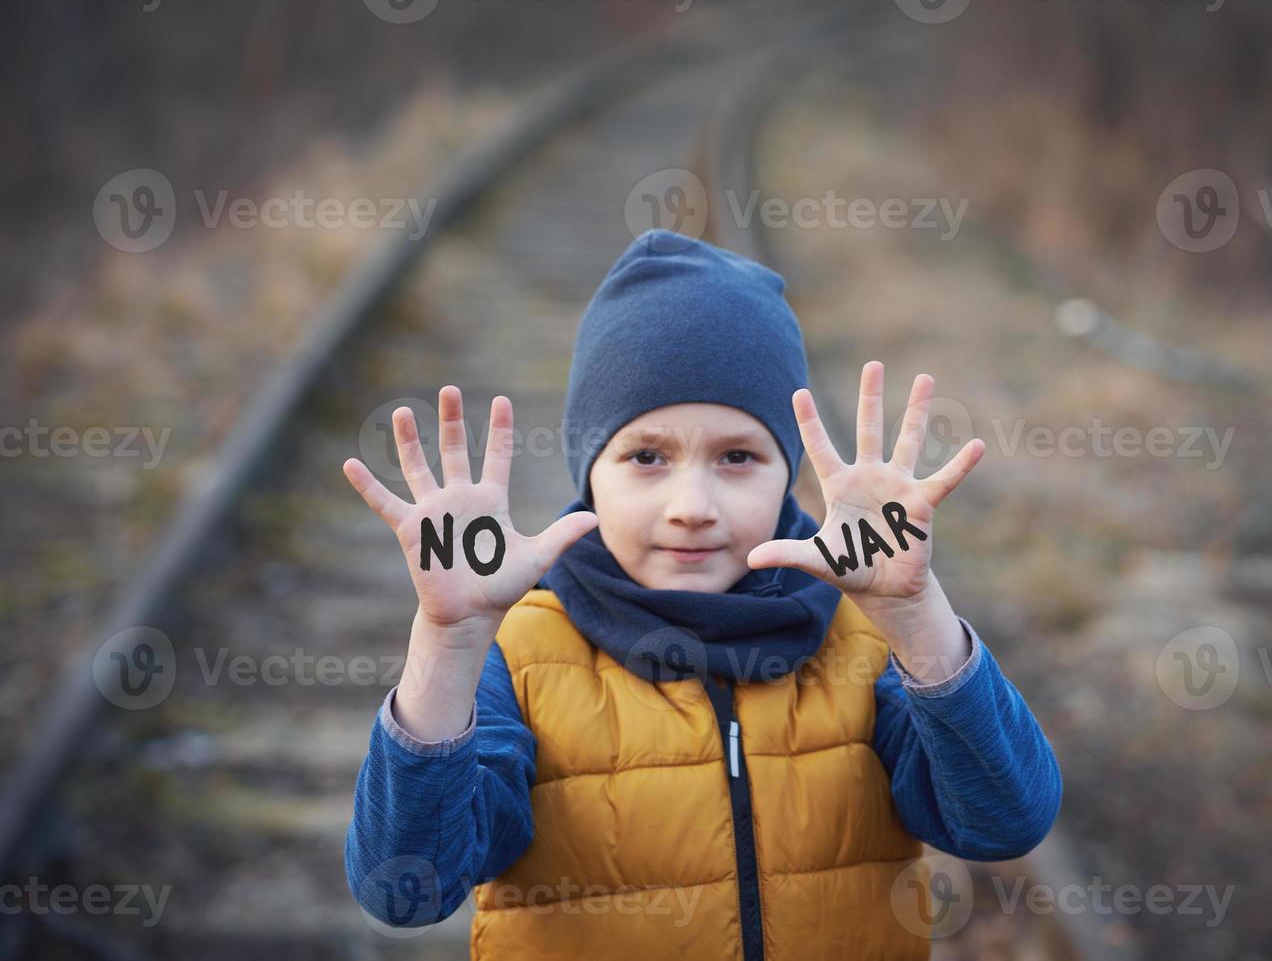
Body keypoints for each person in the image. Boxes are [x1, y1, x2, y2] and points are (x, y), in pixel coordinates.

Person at [340, 229, 1062, 959]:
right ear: (589, 472)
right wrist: (449, 643)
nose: (693, 504)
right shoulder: (518, 653)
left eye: (738, 457)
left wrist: (914, 614)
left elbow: (1003, 821)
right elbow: (408, 891)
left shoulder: (867, 640)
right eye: (647, 456)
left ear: (790, 474)